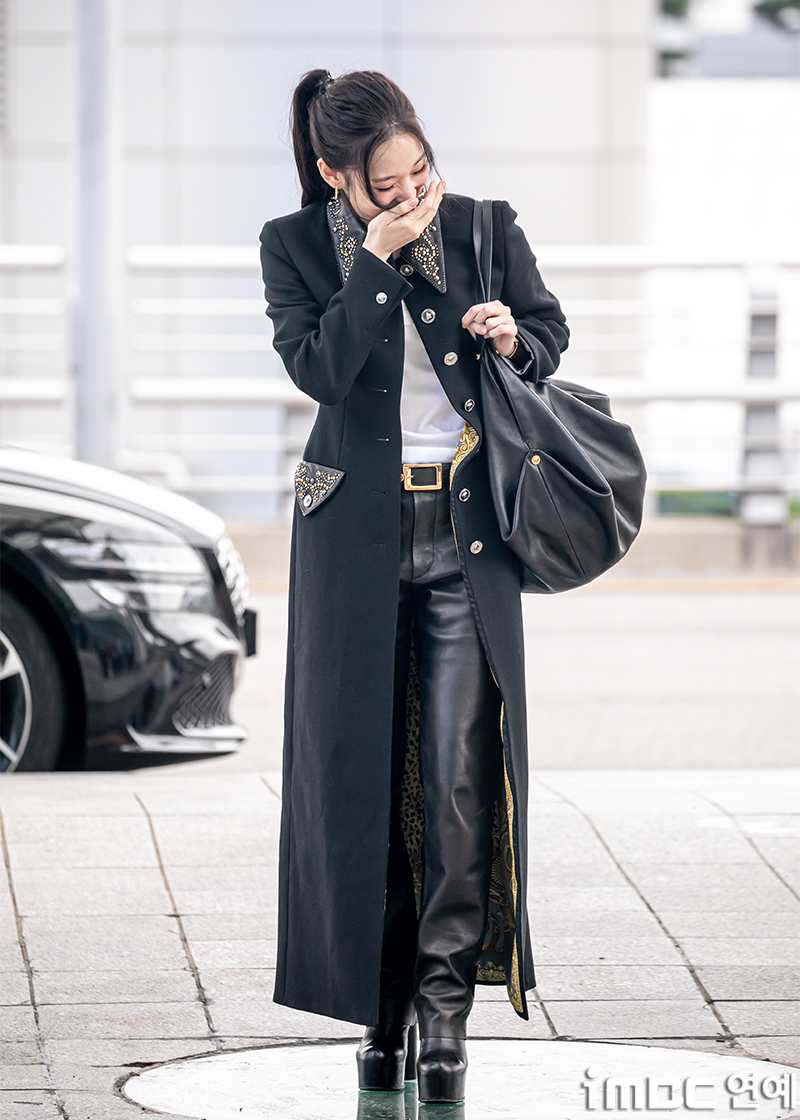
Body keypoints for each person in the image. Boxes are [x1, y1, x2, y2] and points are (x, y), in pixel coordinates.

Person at [259, 68, 568, 1104]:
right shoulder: (294, 247)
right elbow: (320, 372)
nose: (412, 196)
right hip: (351, 539)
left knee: (456, 779)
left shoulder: (483, 225)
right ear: (334, 176)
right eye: (385, 186)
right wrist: (377, 263)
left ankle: (442, 1016)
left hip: (465, 539)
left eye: (420, 172)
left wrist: (511, 339)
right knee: (359, 780)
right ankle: (378, 1011)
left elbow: (549, 336)